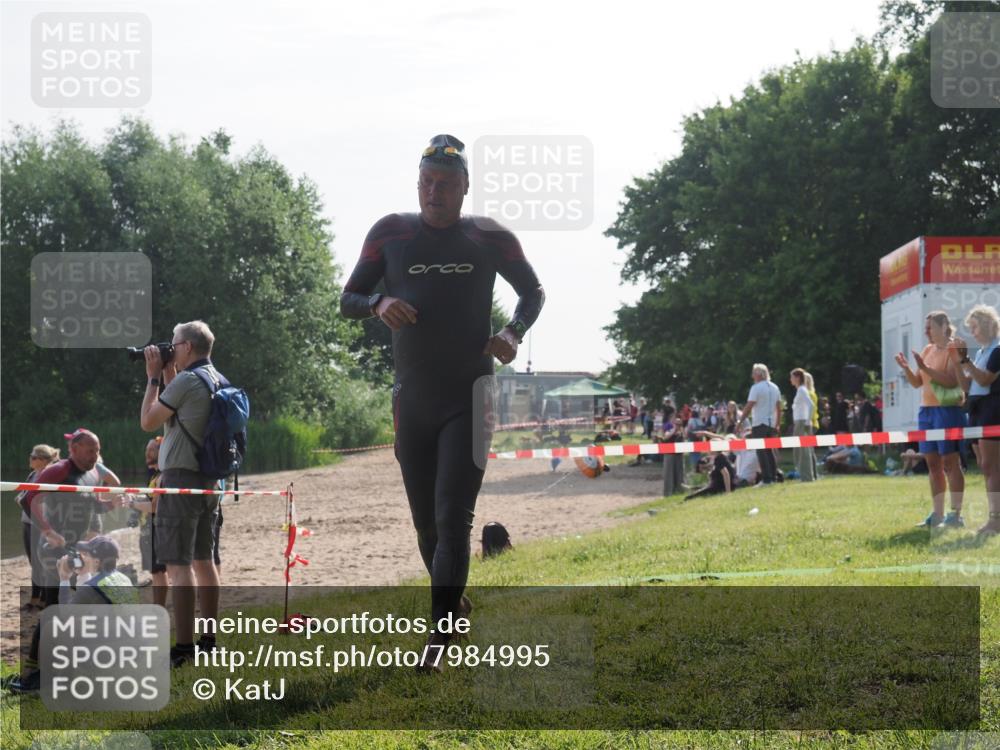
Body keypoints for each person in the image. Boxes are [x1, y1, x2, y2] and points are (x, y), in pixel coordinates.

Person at [339, 134, 544, 672]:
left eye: (447, 185)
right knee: (426, 526)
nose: (436, 193)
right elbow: (347, 299)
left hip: (471, 396)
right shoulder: (391, 233)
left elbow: (533, 292)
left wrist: (513, 332)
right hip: (414, 399)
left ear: (464, 188)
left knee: (453, 519)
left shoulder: (487, 236)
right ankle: (453, 598)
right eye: (427, 182)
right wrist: (378, 301)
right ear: (418, 183)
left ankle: (439, 637)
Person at [139, 320, 225, 665]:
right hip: (209, 482)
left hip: (179, 479)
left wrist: (152, 376)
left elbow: (148, 421)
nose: (169, 348)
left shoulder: (188, 380)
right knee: (205, 561)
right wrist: (169, 370)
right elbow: (179, 417)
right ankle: (208, 639)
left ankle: (184, 647)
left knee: (178, 565)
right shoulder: (214, 379)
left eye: (174, 344)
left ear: (187, 346)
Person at [8, 535, 138, 693]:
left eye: (87, 555)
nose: (82, 557)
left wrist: (64, 579)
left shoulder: (93, 586)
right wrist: (83, 575)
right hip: (126, 655)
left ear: (97, 561)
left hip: (105, 659)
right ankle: (63, 677)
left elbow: (66, 614)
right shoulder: (122, 578)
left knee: (52, 626)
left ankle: (43, 683)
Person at [22, 430, 114, 609]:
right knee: (56, 604)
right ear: (75, 448)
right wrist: (47, 531)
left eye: (97, 451)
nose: (95, 456)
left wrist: (113, 504)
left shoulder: (93, 474)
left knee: (78, 600)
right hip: (53, 549)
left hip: (77, 549)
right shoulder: (58, 471)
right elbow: (27, 499)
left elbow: (95, 507)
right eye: (90, 451)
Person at [894, 311, 966, 528]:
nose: (926, 331)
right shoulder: (927, 349)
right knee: (933, 463)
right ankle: (937, 514)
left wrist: (925, 368)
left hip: (947, 411)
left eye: (930, 327)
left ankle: (955, 516)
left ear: (944, 326)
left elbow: (952, 381)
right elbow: (917, 383)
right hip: (926, 411)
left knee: (950, 462)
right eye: (925, 328)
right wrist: (906, 367)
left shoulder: (954, 348)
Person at [955, 304, 1000, 535]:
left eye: (974, 327)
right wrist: (958, 361)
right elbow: (968, 387)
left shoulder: (997, 351)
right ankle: (994, 518)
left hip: (992, 411)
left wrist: (967, 361)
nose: (972, 333)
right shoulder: (982, 352)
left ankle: (995, 520)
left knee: (992, 467)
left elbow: (984, 380)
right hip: (976, 412)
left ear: (986, 326)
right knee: (985, 467)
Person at [15, 444, 60, 610]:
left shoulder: (49, 476)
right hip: (27, 522)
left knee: (43, 563)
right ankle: (35, 598)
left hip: (40, 525)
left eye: (33, 457)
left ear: (43, 460)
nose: (30, 459)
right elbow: (25, 495)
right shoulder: (33, 474)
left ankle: (41, 600)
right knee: (33, 562)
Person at [127, 437, 169, 606]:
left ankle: (159, 607)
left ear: (162, 452)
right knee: (156, 572)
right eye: (147, 449)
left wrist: (131, 503)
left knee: (159, 572)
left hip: (157, 529)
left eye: (152, 450)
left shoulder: (162, 476)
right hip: (148, 528)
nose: (147, 453)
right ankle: (158, 606)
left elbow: (154, 507)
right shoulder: (154, 475)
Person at [739, 364, 782, 485]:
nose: (752, 376)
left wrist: (740, 421)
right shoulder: (775, 387)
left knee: (761, 451)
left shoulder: (756, 388)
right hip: (772, 423)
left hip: (759, 423)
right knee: (769, 451)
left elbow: (749, 406)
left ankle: (767, 479)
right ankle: (773, 477)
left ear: (758, 374)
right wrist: (778, 424)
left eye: (753, 373)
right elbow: (779, 408)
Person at [790, 368, 816, 482]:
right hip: (801, 421)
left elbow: (811, 405)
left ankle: (806, 477)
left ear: (797, 378)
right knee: (804, 450)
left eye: (792, 377)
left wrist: (807, 421)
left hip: (801, 422)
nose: (790, 379)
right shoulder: (801, 390)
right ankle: (808, 476)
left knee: (803, 451)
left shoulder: (801, 390)